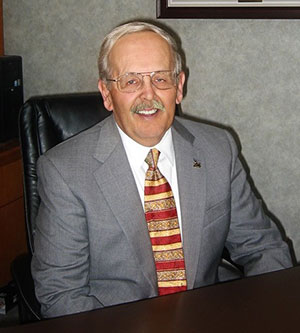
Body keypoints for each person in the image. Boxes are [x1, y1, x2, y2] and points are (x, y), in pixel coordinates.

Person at [31, 21, 293, 318]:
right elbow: (61, 295)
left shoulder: (218, 149)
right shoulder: (64, 172)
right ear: (106, 93)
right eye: (131, 81)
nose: (148, 95)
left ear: (179, 87)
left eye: (161, 79)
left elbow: (263, 247)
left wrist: (267, 314)